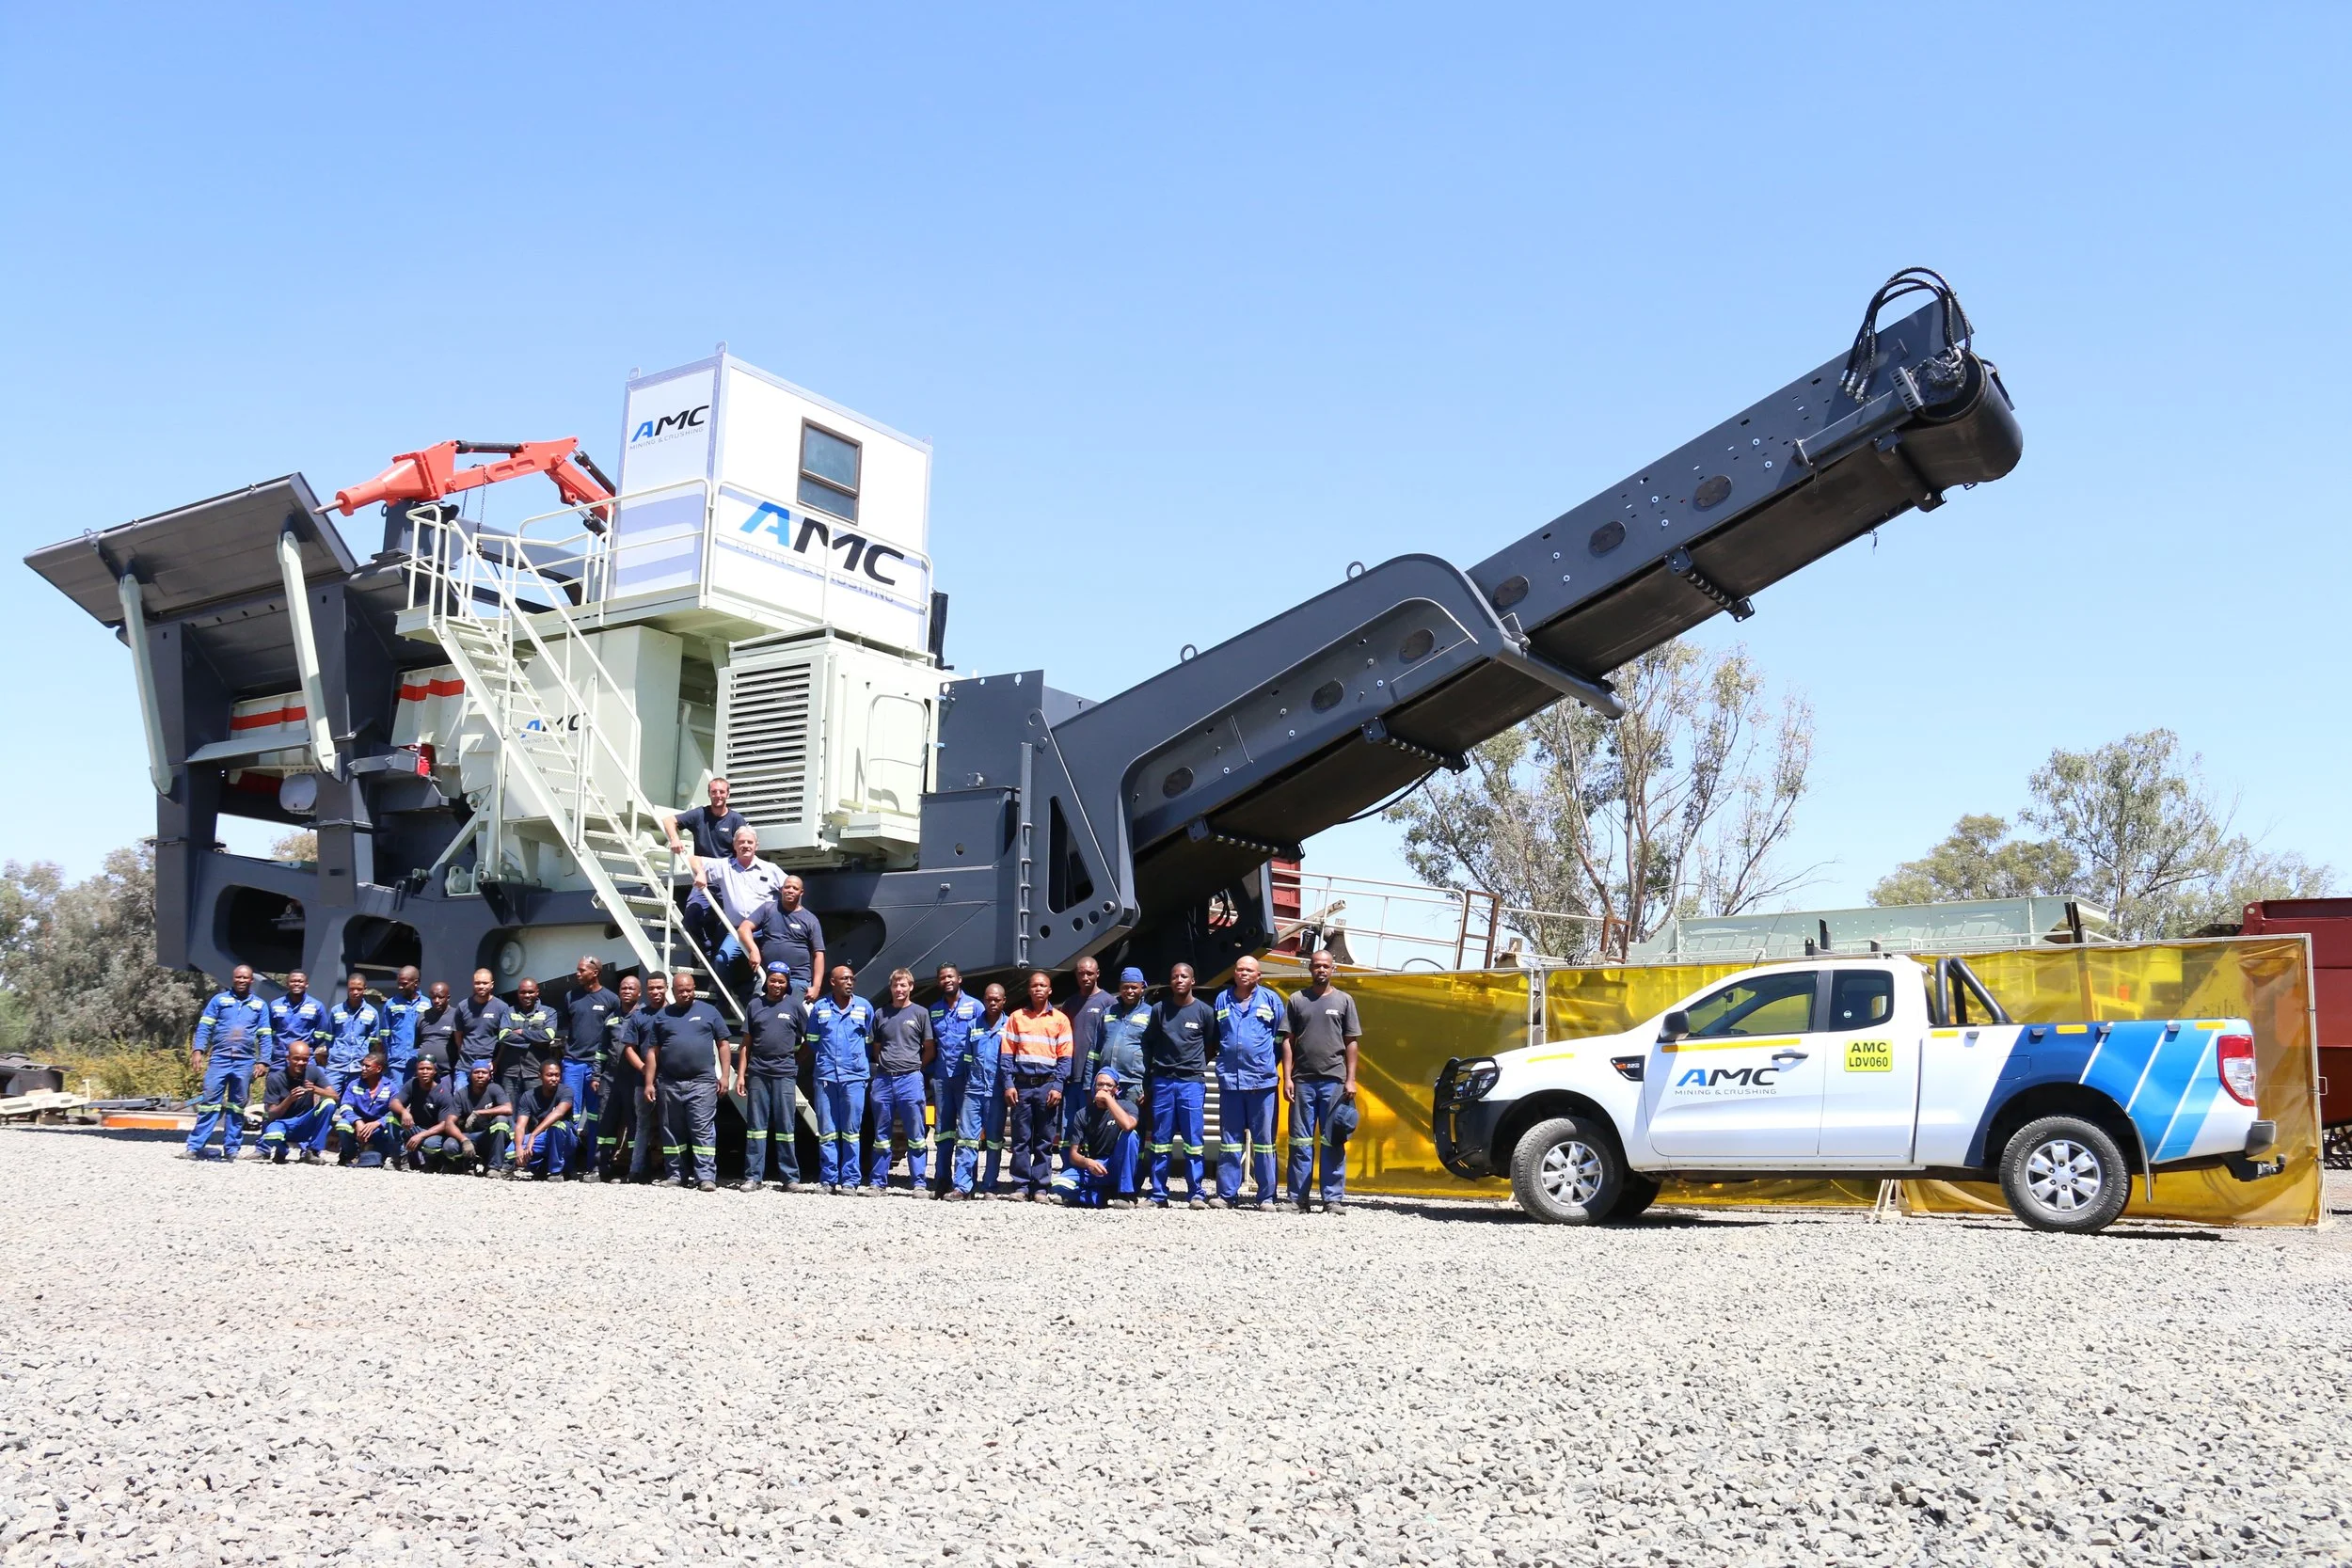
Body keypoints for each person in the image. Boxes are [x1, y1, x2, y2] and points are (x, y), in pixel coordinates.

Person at [1284, 949, 1363, 1215]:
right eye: (1317, 965)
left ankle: (1332, 1200)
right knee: (1300, 1142)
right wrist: (1287, 1077)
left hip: (1334, 1082)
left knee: (1333, 1141)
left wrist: (1350, 1080)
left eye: (1326, 966)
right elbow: (1288, 1040)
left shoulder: (1344, 1001)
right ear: (1310, 969)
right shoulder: (1297, 1000)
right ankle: (1297, 1200)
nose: (1321, 970)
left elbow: (1352, 1042)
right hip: (1303, 1081)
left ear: (1333, 970)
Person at [645, 969, 734, 1192]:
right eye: (681, 991)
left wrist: (724, 1075)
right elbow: (653, 1052)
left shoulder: (709, 1012)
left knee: (702, 1130)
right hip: (669, 1083)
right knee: (672, 1130)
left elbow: (723, 1044)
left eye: (690, 990)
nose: (686, 994)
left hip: (702, 1083)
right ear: (672, 992)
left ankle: (705, 1177)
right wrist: (649, 1082)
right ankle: (675, 1175)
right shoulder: (662, 1017)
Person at [1211, 956, 1288, 1211]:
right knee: (1229, 1141)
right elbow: (1218, 1036)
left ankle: (1266, 1197)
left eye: (1249, 970)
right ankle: (1226, 1195)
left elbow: (1281, 1039)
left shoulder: (1271, 1000)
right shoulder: (1222, 999)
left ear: (1258, 975)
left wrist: (1266, 1065)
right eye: (1240, 969)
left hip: (1261, 1084)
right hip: (1231, 1083)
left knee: (1264, 1142)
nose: (1243, 973)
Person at [1143, 962, 1216, 1209]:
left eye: (1184, 976)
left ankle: (1196, 1193)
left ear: (1192, 981)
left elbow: (1211, 1045)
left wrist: (1194, 1064)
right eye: (1175, 976)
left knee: (1193, 1141)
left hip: (1191, 1083)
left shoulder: (1205, 1012)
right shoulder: (1159, 1010)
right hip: (1163, 1082)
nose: (1179, 980)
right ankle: (1158, 1194)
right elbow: (1149, 1043)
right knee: (1161, 1141)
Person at [1073, 967, 1152, 1192]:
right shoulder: (1108, 1012)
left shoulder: (1150, 1014)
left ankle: (1132, 1186)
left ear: (1142, 988)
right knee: (1104, 1133)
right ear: (1119, 988)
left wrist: (1149, 1086)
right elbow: (1094, 1052)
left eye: (1134, 987)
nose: (1129, 991)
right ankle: (1106, 1181)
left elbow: (1155, 1054)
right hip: (1107, 1085)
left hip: (1134, 1085)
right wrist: (1090, 1084)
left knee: (1133, 1135)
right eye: (1125, 987)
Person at [999, 970, 1074, 1202]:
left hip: (1047, 1087)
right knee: (1021, 1140)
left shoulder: (1060, 1019)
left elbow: (1065, 1058)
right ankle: (1021, 1186)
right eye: (1034, 986)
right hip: (1021, 1086)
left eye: (1043, 986)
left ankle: (1040, 1187)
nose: (1038, 989)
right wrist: (1008, 1084)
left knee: (1044, 1139)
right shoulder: (1016, 1017)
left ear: (1049, 990)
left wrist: (1058, 1086)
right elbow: (1006, 1055)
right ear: (1029, 990)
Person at [185, 964, 273, 1161]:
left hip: (245, 1062)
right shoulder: (219, 1000)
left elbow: (266, 1035)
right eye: (238, 977)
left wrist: (264, 1061)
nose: (242, 980)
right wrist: (197, 1050)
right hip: (219, 1059)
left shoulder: (260, 1005)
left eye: (245, 978)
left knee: (237, 1106)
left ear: (252, 981)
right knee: (209, 1103)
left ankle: (232, 1149)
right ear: (233, 979)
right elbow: (205, 1026)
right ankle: (195, 1146)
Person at [662, 776, 752, 958]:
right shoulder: (699, 815)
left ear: (727, 794)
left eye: (721, 792)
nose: (718, 795)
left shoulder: (736, 820)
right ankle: (708, 951)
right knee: (690, 918)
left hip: (727, 878)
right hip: (703, 875)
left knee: (729, 923)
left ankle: (719, 963)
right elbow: (668, 820)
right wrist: (675, 838)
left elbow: (744, 845)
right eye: (714, 792)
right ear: (709, 794)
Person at [739, 963, 807, 1193]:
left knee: (785, 1127)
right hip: (758, 1072)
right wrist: (741, 1075)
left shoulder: (795, 1006)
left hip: (785, 1073)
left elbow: (810, 1040)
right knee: (756, 1127)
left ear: (787, 984)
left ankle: (790, 1178)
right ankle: (752, 1177)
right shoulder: (755, 1005)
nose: (776, 985)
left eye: (781, 981)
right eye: (773, 980)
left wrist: (794, 1061)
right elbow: (746, 1045)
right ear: (766, 981)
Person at [807, 965, 875, 1195]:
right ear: (832, 982)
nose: (849, 982)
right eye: (844, 978)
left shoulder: (864, 1007)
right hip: (826, 1077)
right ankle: (828, 1179)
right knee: (827, 1131)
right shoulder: (820, 1008)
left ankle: (850, 1180)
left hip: (854, 1078)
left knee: (851, 1131)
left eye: (851, 978)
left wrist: (855, 1062)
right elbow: (813, 1040)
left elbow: (869, 1040)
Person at [866, 968, 934, 1194]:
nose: (899, 989)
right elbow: (876, 1048)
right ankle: (878, 1182)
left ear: (911, 987)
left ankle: (919, 1183)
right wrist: (888, 1066)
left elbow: (929, 1049)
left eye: (903, 985)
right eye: (895, 985)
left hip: (911, 1080)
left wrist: (914, 1068)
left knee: (916, 1134)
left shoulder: (920, 1013)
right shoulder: (880, 1014)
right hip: (884, 1080)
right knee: (881, 1135)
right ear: (891, 988)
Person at [925, 965, 985, 1196]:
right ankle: (942, 1180)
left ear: (959, 979)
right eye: (942, 977)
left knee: (968, 1132)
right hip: (942, 1078)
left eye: (950, 976)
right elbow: (931, 1043)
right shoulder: (935, 1010)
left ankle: (966, 1184)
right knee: (943, 1131)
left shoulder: (975, 1006)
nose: (947, 980)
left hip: (967, 1078)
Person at [947, 983, 1010, 1200]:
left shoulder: (1010, 1026)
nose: (992, 1003)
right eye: (988, 999)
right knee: (965, 1139)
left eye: (997, 999)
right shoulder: (974, 1025)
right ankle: (963, 1187)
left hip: (997, 1092)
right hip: (973, 1091)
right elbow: (966, 1058)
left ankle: (990, 1186)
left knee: (994, 1140)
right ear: (983, 1000)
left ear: (1004, 1001)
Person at [560, 958, 619, 1180]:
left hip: (596, 1067)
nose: (577, 974)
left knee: (596, 1117)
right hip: (572, 1064)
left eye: (581, 970)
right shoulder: (570, 997)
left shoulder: (610, 1000)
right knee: (570, 1116)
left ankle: (594, 1165)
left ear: (595, 973)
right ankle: (567, 1165)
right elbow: (567, 1027)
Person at [705, 826, 786, 983]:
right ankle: (724, 1000)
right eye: (741, 842)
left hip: (766, 930)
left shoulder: (770, 869)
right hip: (737, 932)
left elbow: (792, 890)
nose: (746, 845)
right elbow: (693, 860)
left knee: (772, 964)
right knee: (721, 960)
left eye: (750, 842)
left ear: (756, 845)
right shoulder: (724, 867)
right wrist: (701, 873)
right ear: (734, 845)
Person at [612, 974, 667, 1181]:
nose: (656, 992)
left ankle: (671, 1171)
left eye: (660, 988)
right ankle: (636, 1170)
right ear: (646, 990)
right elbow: (629, 1049)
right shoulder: (639, 1016)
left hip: (670, 1080)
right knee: (641, 1125)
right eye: (652, 988)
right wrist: (645, 1069)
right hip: (642, 1081)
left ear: (666, 988)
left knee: (669, 1126)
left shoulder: (674, 1013)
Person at [1058, 958, 1116, 1156]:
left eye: (1089, 973)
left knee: (1091, 1129)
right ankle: (1068, 1171)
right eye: (1081, 973)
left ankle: (1089, 1172)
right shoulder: (1070, 1003)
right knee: (1068, 1129)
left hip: (1093, 1082)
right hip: (1070, 1079)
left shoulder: (1109, 1003)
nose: (1085, 977)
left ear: (1097, 974)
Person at [1061, 1069, 1141, 1209]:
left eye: (1109, 1085)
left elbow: (1128, 1125)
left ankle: (1125, 1195)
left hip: (1118, 1164)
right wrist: (1088, 1163)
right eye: (1100, 1085)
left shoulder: (1128, 1106)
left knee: (1131, 1135)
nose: (1104, 1088)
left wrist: (1109, 1100)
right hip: (1097, 1166)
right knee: (1060, 1185)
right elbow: (1073, 1155)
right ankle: (1102, 1195)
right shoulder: (1082, 1114)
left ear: (1117, 1089)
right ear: (1094, 1087)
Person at [593, 974, 644, 1177]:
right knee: (606, 1123)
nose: (627, 991)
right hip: (610, 1078)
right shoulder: (611, 1019)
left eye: (631, 988)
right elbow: (601, 1050)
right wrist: (597, 1075)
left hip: (634, 1079)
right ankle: (600, 1167)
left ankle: (635, 1170)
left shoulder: (643, 1017)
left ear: (639, 993)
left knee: (634, 1125)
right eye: (623, 988)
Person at [746, 875, 826, 1003]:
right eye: (787, 887)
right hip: (768, 976)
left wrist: (816, 987)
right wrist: (753, 950)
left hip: (797, 979)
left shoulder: (810, 919)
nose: (790, 890)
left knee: (789, 1018)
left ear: (801, 892)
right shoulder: (768, 908)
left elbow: (819, 955)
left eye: (795, 888)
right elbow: (744, 928)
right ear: (781, 890)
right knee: (758, 1013)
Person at [255, 1037, 334, 1164]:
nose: (301, 1063)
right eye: (296, 1058)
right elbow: (271, 1114)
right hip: (283, 1123)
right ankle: (282, 1150)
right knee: (271, 1134)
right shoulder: (276, 1078)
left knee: (329, 1104)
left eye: (305, 1059)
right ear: (288, 1058)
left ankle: (312, 1151)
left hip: (305, 1122)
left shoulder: (313, 1071)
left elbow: (334, 1096)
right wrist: (289, 1099)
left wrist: (316, 1089)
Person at [393, 1056, 468, 1172]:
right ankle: (400, 1159)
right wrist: (404, 1112)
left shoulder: (443, 1094)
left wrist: (421, 1135)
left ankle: (433, 1164)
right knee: (391, 1118)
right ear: (416, 1071)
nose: (424, 1072)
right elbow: (394, 1103)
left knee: (431, 1144)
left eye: (428, 1069)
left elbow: (445, 1124)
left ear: (434, 1072)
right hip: (414, 1127)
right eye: (421, 1069)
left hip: (434, 1132)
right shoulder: (412, 1084)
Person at [326, 1053, 401, 1167]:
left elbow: (395, 1111)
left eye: (367, 1066)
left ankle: (394, 1158)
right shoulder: (354, 1084)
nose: (363, 1069)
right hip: (357, 1126)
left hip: (378, 1129)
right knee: (342, 1125)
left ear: (378, 1069)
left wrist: (378, 1123)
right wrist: (357, 1121)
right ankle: (350, 1154)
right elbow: (345, 1106)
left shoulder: (391, 1087)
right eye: (363, 1065)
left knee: (392, 1125)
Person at [498, 978, 561, 1107]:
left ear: (537, 992)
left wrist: (522, 1032)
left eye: (531, 992)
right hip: (511, 1073)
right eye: (523, 992)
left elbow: (548, 1036)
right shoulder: (509, 1012)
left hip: (535, 1073)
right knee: (510, 1113)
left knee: (535, 1112)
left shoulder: (548, 1012)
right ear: (518, 993)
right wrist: (533, 1041)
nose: (527, 996)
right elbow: (503, 1036)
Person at [513, 1058, 578, 1181]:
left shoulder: (566, 1091)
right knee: (511, 1150)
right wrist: (518, 1148)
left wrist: (533, 1135)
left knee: (558, 1126)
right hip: (544, 1138)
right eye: (550, 1075)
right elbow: (520, 1126)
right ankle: (538, 1168)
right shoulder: (528, 1096)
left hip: (566, 1139)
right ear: (540, 1076)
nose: (554, 1079)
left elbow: (558, 1113)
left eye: (557, 1075)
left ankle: (556, 1172)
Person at [322, 973, 386, 1098]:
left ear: (365, 989)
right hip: (336, 1066)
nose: (355, 992)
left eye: (359, 989)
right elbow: (329, 1037)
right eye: (352, 989)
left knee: (355, 1103)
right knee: (328, 1101)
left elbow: (373, 1043)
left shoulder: (372, 1013)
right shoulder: (336, 1010)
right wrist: (335, 1053)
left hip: (359, 1067)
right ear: (347, 988)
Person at [451, 1061, 514, 1176]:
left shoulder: (494, 1088)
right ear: (470, 1075)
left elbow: (508, 1109)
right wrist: (463, 1140)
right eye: (476, 1072)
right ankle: (463, 1164)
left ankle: (494, 1167)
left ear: (489, 1076)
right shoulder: (461, 1094)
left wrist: (479, 1113)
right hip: (470, 1136)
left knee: (501, 1121)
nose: (480, 1075)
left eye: (484, 1072)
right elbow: (449, 1122)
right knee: (450, 1146)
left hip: (489, 1136)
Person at [452, 970, 511, 1082]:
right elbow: (458, 1034)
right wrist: (463, 1052)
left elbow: (505, 1039)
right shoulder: (463, 1006)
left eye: (485, 983)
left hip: (488, 1067)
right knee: (460, 1099)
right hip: (465, 1067)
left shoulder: (502, 1008)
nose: (481, 986)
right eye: (477, 983)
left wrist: (496, 1062)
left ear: (492, 984)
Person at [266, 969, 326, 1073]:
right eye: (293, 981)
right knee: (275, 1087)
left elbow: (321, 1032)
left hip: (304, 1059)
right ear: (287, 984)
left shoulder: (316, 1006)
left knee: (304, 1089)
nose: (296, 984)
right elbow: (270, 1030)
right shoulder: (275, 1005)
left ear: (306, 984)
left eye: (300, 981)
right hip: (280, 1058)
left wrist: (308, 1045)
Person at [382, 966, 426, 1085]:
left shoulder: (427, 1004)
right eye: (399, 983)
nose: (400, 987)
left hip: (418, 1061)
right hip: (397, 1061)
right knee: (397, 1098)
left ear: (415, 983)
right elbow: (385, 1033)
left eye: (404, 984)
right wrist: (389, 1055)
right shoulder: (390, 1004)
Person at [414, 981, 459, 1079]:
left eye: (440, 997)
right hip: (424, 1075)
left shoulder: (456, 1016)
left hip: (447, 1074)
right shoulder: (422, 1017)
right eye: (433, 997)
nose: (436, 1000)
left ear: (448, 998)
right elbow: (418, 1043)